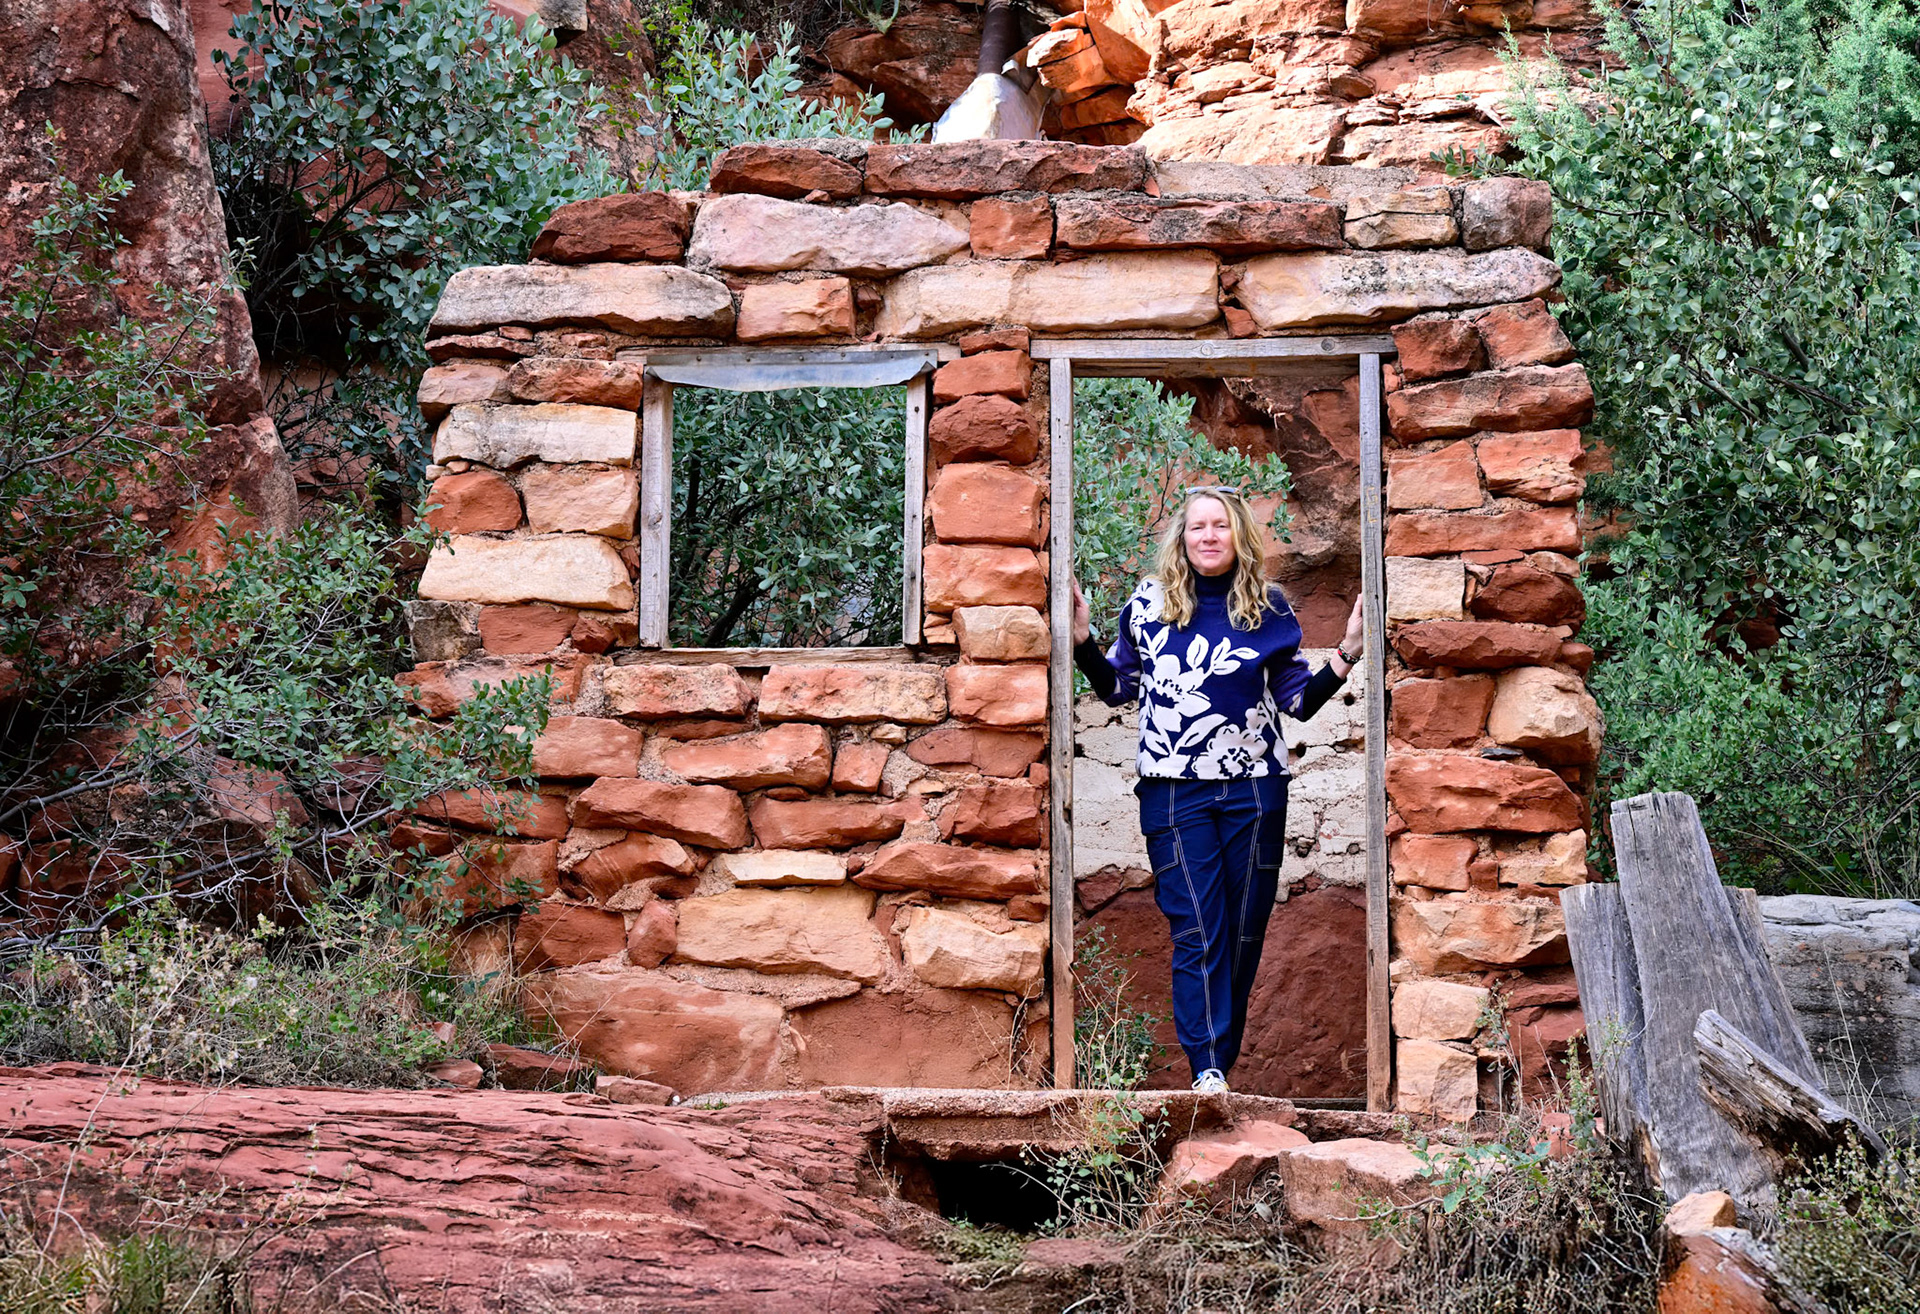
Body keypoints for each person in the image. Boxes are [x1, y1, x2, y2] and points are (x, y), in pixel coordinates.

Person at [1072, 486, 1365, 1095]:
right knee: (1197, 927)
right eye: (1197, 526)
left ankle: (1216, 1072)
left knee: (1243, 931)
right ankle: (1206, 1067)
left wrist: (1348, 653)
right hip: (1173, 790)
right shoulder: (1148, 603)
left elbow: (1296, 701)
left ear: (1239, 536)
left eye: (1221, 526)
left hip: (1255, 791)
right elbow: (1118, 689)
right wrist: (1081, 643)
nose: (1208, 536)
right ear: (1182, 538)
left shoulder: (1270, 609)